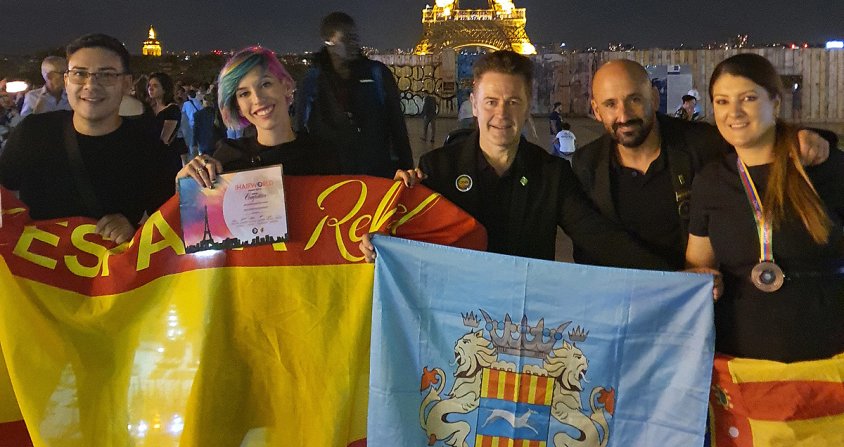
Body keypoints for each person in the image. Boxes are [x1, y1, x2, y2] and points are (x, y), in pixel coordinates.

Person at [361, 50, 671, 268]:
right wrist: (388, 223)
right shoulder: (436, 170)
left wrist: (677, 278)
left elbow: (600, 239)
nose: (502, 114)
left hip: (521, 325)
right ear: (474, 105)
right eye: (491, 102)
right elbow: (409, 247)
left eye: (513, 102)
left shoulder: (552, 174)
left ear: (526, 106)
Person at [572, 59, 830, 271]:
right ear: (596, 110)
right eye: (610, 104)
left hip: (699, 304)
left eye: (634, 99)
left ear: (652, 96)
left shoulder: (703, 144)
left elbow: (755, 139)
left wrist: (807, 138)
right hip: (625, 308)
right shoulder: (586, 164)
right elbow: (590, 247)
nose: (624, 115)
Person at [685, 53, 843, 363]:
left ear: (776, 103)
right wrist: (704, 277)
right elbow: (697, 264)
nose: (735, 112)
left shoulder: (825, 168)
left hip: (830, 362)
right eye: (722, 101)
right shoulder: (711, 181)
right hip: (744, 366)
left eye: (748, 98)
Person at [0, 33, 181, 243]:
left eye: (106, 75)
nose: (91, 84)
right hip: (36, 270)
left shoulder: (148, 148)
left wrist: (134, 230)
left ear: (126, 83)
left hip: (109, 272)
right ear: (67, 81)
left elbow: (167, 226)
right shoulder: (32, 133)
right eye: (80, 73)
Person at [176, 46, 340, 188]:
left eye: (265, 84)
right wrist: (185, 184)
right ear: (238, 107)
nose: (258, 99)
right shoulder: (227, 161)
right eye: (244, 93)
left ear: (286, 86)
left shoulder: (324, 155)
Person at [294, 11, 412, 178]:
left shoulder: (377, 74)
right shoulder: (312, 81)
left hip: (377, 178)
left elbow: (398, 128)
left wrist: (407, 170)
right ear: (328, 41)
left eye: (355, 38)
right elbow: (302, 133)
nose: (353, 44)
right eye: (346, 39)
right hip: (331, 182)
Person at [148, 71, 189, 161]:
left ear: (164, 89)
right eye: (149, 85)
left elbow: (164, 139)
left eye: (155, 86)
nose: (150, 89)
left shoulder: (172, 109)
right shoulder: (149, 108)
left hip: (166, 158)